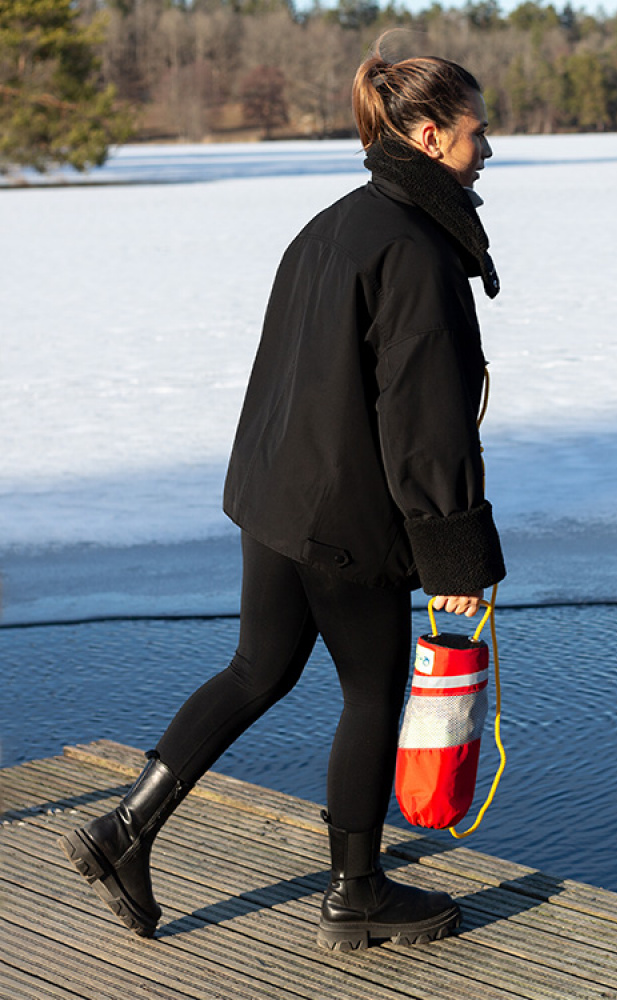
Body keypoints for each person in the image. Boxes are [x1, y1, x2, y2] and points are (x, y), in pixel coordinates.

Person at [58, 41, 505, 953]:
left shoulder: (335, 223)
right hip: (343, 513)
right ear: (428, 135)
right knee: (373, 691)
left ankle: (122, 831)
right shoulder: (413, 249)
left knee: (258, 670)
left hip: (277, 496)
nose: (488, 148)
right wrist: (451, 549)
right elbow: (424, 421)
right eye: (475, 131)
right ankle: (357, 894)